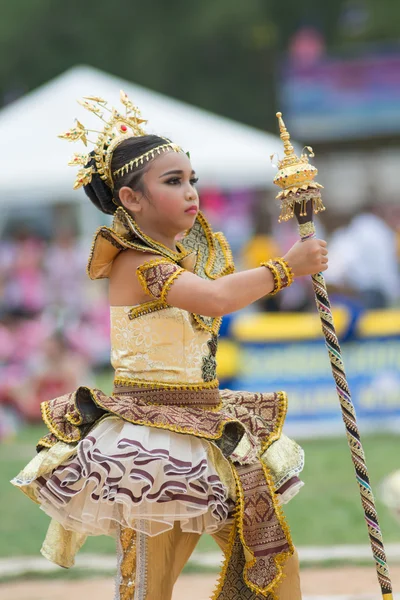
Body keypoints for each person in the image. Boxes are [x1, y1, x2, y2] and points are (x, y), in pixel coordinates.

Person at [11, 92, 328, 600]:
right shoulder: (136, 263)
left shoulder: (181, 255)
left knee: (272, 560)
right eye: (173, 181)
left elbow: (219, 289)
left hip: (207, 427)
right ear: (131, 199)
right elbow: (219, 298)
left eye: (192, 180)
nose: (191, 192)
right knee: (148, 585)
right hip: (152, 445)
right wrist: (287, 267)